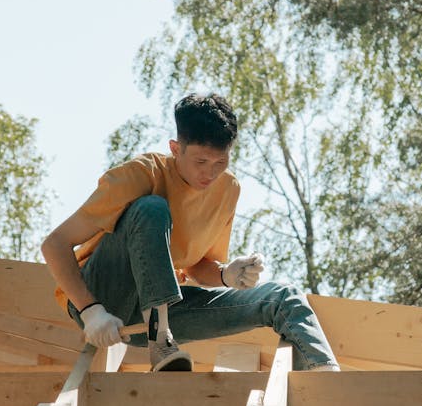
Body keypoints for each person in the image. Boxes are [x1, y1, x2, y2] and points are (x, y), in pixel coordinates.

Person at [41, 93, 340, 372]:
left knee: (282, 297)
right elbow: (54, 244)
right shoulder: (142, 174)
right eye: (200, 162)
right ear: (175, 149)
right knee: (152, 209)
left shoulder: (227, 190)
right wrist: (90, 310)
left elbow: (197, 266)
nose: (209, 174)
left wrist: (226, 274)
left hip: (160, 312)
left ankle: (326, 383)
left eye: (220, 163)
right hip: (105, 299)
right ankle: (161, 340)